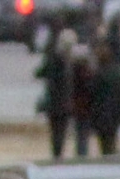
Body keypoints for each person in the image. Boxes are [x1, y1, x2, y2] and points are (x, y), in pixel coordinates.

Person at [36, 29, 79, 159]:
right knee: (59, 133)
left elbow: (40, 73)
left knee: (57, 133)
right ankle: (57, 155)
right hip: (60, 104)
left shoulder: (56, 59)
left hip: (57, 104)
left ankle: (57, 154)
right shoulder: (63, 62)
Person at [88, 29, 120, 156]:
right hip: (113, 114)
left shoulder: (98, 74)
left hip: (101, 114)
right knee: (110, 142)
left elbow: (92, 94)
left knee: (105, 144)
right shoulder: (115, 72)